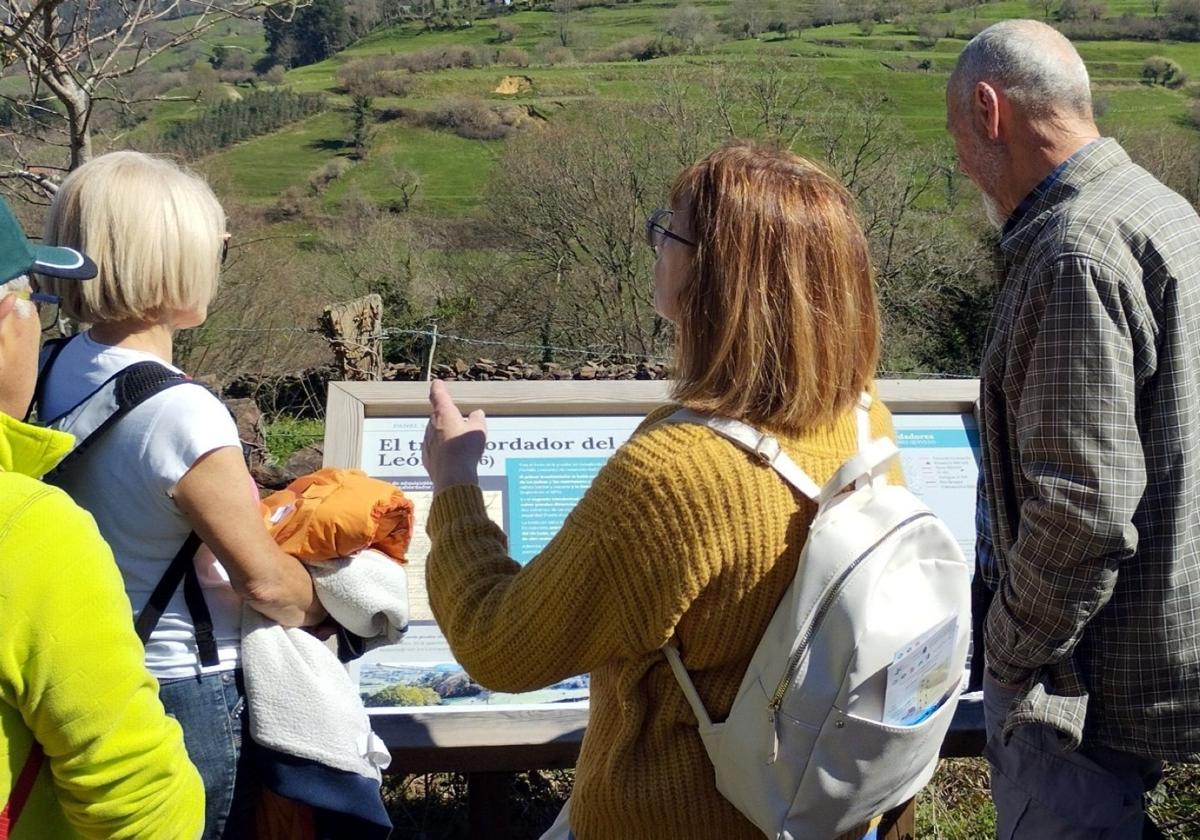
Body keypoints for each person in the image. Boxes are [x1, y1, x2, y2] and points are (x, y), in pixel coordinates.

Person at [420, 142, 914, 840]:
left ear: (715, 278)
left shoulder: (673, 477)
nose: (656, 244)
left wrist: (455, 484)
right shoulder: (865, 418)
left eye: (668, 230)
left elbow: (499, 645)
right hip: (826, 813)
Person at [947, 19, 1200, 839]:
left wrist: (1012, 653)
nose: (958, 163)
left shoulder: (1073, 251)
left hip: (1086, 698)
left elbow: (1081, 508)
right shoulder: (1161, 211)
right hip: (1162, 647)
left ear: (990, 112)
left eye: (957, 134)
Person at [35, 151, 326, 840]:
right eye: (210, 248)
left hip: (73, 684)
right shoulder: (184, 413)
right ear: (168, 261)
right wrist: (335, 604)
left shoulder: (42, 372)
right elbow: (265, 584)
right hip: (179, 690)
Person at [0, 197, 204, 838]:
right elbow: (142, 810)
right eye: (36, 300)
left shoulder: (66, 369)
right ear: (7, 317)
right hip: (188, 679)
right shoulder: (26, 525)